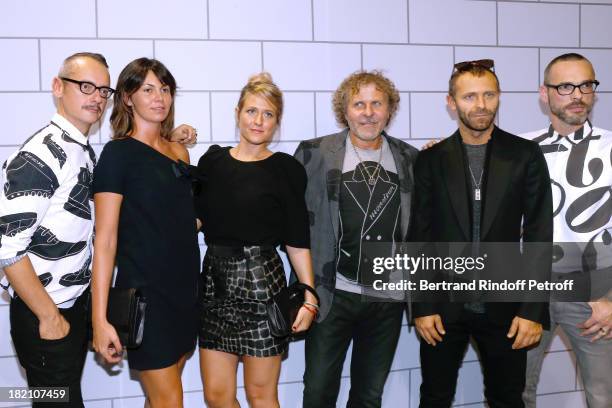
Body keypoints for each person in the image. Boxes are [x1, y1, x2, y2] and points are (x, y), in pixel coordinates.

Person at [410, 59, 552, 407]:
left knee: (507, 399)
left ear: (499, 97)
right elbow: (420, 237)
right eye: (470, 96)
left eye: (489, 94)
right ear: (451, 101)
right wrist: (422, 305)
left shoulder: (525, 155)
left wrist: (532, 310)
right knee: (434, 397)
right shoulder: (431, 160)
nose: (481, 104)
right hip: (442, 307)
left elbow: (539, 235)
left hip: (507, 307)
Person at [294, 70, 418, 408]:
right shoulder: (313, 154)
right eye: (359, 103)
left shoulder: (411, 159)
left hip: (387, 300)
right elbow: (292, 224)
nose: (368, 112)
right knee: (318, 391)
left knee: (369, 396)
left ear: (389, 109)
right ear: (344, 111)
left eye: (377, 103)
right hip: (331, 295)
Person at [194, 72, 316, 408]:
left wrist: (309, 294)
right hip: (215, 286)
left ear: (277, 121)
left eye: (268, 114)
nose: (258, 121)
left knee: (261, 396)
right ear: (237, 113)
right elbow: (196, 218)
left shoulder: (285, 169)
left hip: (263, 284)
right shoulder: (212, 162)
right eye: (251, 111)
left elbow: (296, 237)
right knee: (217, 396)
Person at [0, 52, 111, 408]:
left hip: (70, 308)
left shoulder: (79, 148)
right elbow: (5, 245)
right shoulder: (42, 153)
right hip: (46, 313)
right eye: (86, 86)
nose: (97, 96)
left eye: (103, 90)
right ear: (58, 87)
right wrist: (49, 317)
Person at [91, 57, 200, 408]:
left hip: (185, 295)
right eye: (148, 89)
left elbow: (184, 221)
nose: (159, 98)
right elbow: (105, 241)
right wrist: (99, 318)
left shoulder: (179, 152)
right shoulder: (117, 154)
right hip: (145, 300)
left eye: (165, 89)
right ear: (127, 98)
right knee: (170, 401)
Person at [522, 53, 612, 408]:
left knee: (603, 398)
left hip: (597, 296)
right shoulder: (518, 149)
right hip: (529, 291)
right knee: (513, 393)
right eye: (566, 86)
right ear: (545, 94)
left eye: (586, 85)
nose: (578, 94)